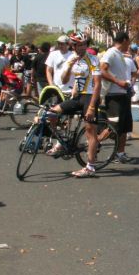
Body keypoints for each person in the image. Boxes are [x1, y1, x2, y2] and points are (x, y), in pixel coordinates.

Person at [47, 32, 102, 178]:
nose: (81, 47)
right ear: (73, 45)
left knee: (90, 133)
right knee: (52, 113)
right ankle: (61, 142)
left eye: (84, 44)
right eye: (78, 45)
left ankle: (90, 167)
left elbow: (97, 85)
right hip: (77, 96)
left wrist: (91, 106)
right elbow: (64, 81)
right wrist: (69, 66)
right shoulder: (72, 59)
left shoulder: (93, 59)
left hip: (90, 97)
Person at [99, 32, 134, 163]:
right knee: (114, 125)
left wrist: (126, 86)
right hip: (113, 96)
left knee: (124, 126)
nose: (129, 45)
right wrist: (118, 82)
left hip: (123, 94)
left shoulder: (120, 55)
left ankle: (120, 153)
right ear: (124, 40)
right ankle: (93, 143)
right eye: (128, 41)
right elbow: (102, 70)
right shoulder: (111, 53)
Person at [45, 35, 74, 100]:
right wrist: (51, 84)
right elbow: (48, 70)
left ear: (68, 45)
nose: (60, 46)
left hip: (69, 89)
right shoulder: (53, 54)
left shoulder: (73, 55)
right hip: (57, 88)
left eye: (62, 44)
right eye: (59, 44)